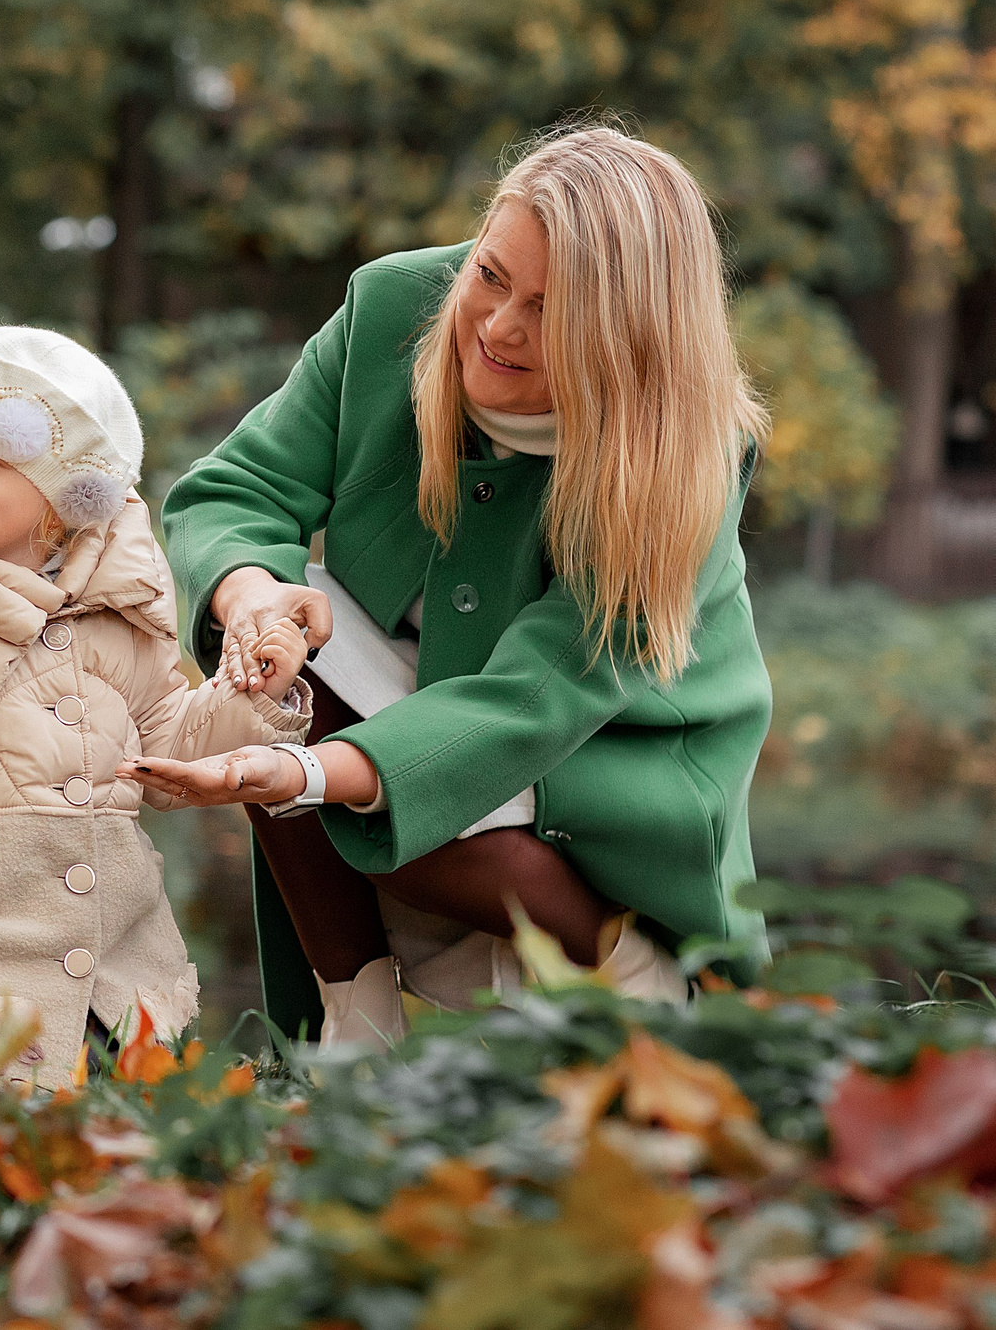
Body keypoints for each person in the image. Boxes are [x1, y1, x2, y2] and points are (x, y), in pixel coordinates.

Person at [142, 127, 772, 1049]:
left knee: (383, 780)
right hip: (416, 686)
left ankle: (630, 967)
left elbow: (531, 702)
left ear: (628, 338)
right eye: (490, 274)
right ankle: (352, 1027)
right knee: (277, 670)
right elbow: (236, 489)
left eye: (551, 311)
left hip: (603, 753)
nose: (499, 325)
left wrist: (308, 773)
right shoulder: (390, 308)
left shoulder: (683, 456)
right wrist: (252, 600)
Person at [0, 327, 313, 1088]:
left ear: (66, 494)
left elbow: (169, 747)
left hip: (105, 939)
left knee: (107, 1107)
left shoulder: (118, 613)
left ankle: (104, 1077)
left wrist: (253, 693)